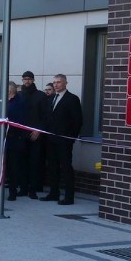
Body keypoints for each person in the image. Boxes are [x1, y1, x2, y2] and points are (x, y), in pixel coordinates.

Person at [42, 74, 83, 205]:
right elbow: (48, 118)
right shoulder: (51, 98)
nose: (56, 85)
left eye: (58, 82)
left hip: (64, 140)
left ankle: (69, 197)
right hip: (51, 139)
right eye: (54, 82)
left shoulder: (72, 99)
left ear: (65, 83)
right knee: (53, 167)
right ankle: (54, 193)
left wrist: (71, 137)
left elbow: (78, 121)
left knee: (66, 168)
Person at [20, 70, 49, 198]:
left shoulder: (41, 96)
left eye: (29, 79)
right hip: (21, 135)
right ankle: (22, 188)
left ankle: (33, 189)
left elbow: (46, 116)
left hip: (35, 135)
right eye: (25, 79)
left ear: (33, 80)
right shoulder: (19, 95)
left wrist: (38, 130)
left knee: (35, 163)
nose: (27, 81)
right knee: (21, 162)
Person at [4, 82, 28, 201]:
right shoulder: (3, 100)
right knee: (5, 166)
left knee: (14, 167)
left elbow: (21, 119)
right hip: (4, 139)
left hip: (15, 138)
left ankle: (13, 192)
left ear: (11, 90)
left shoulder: (20, 102)